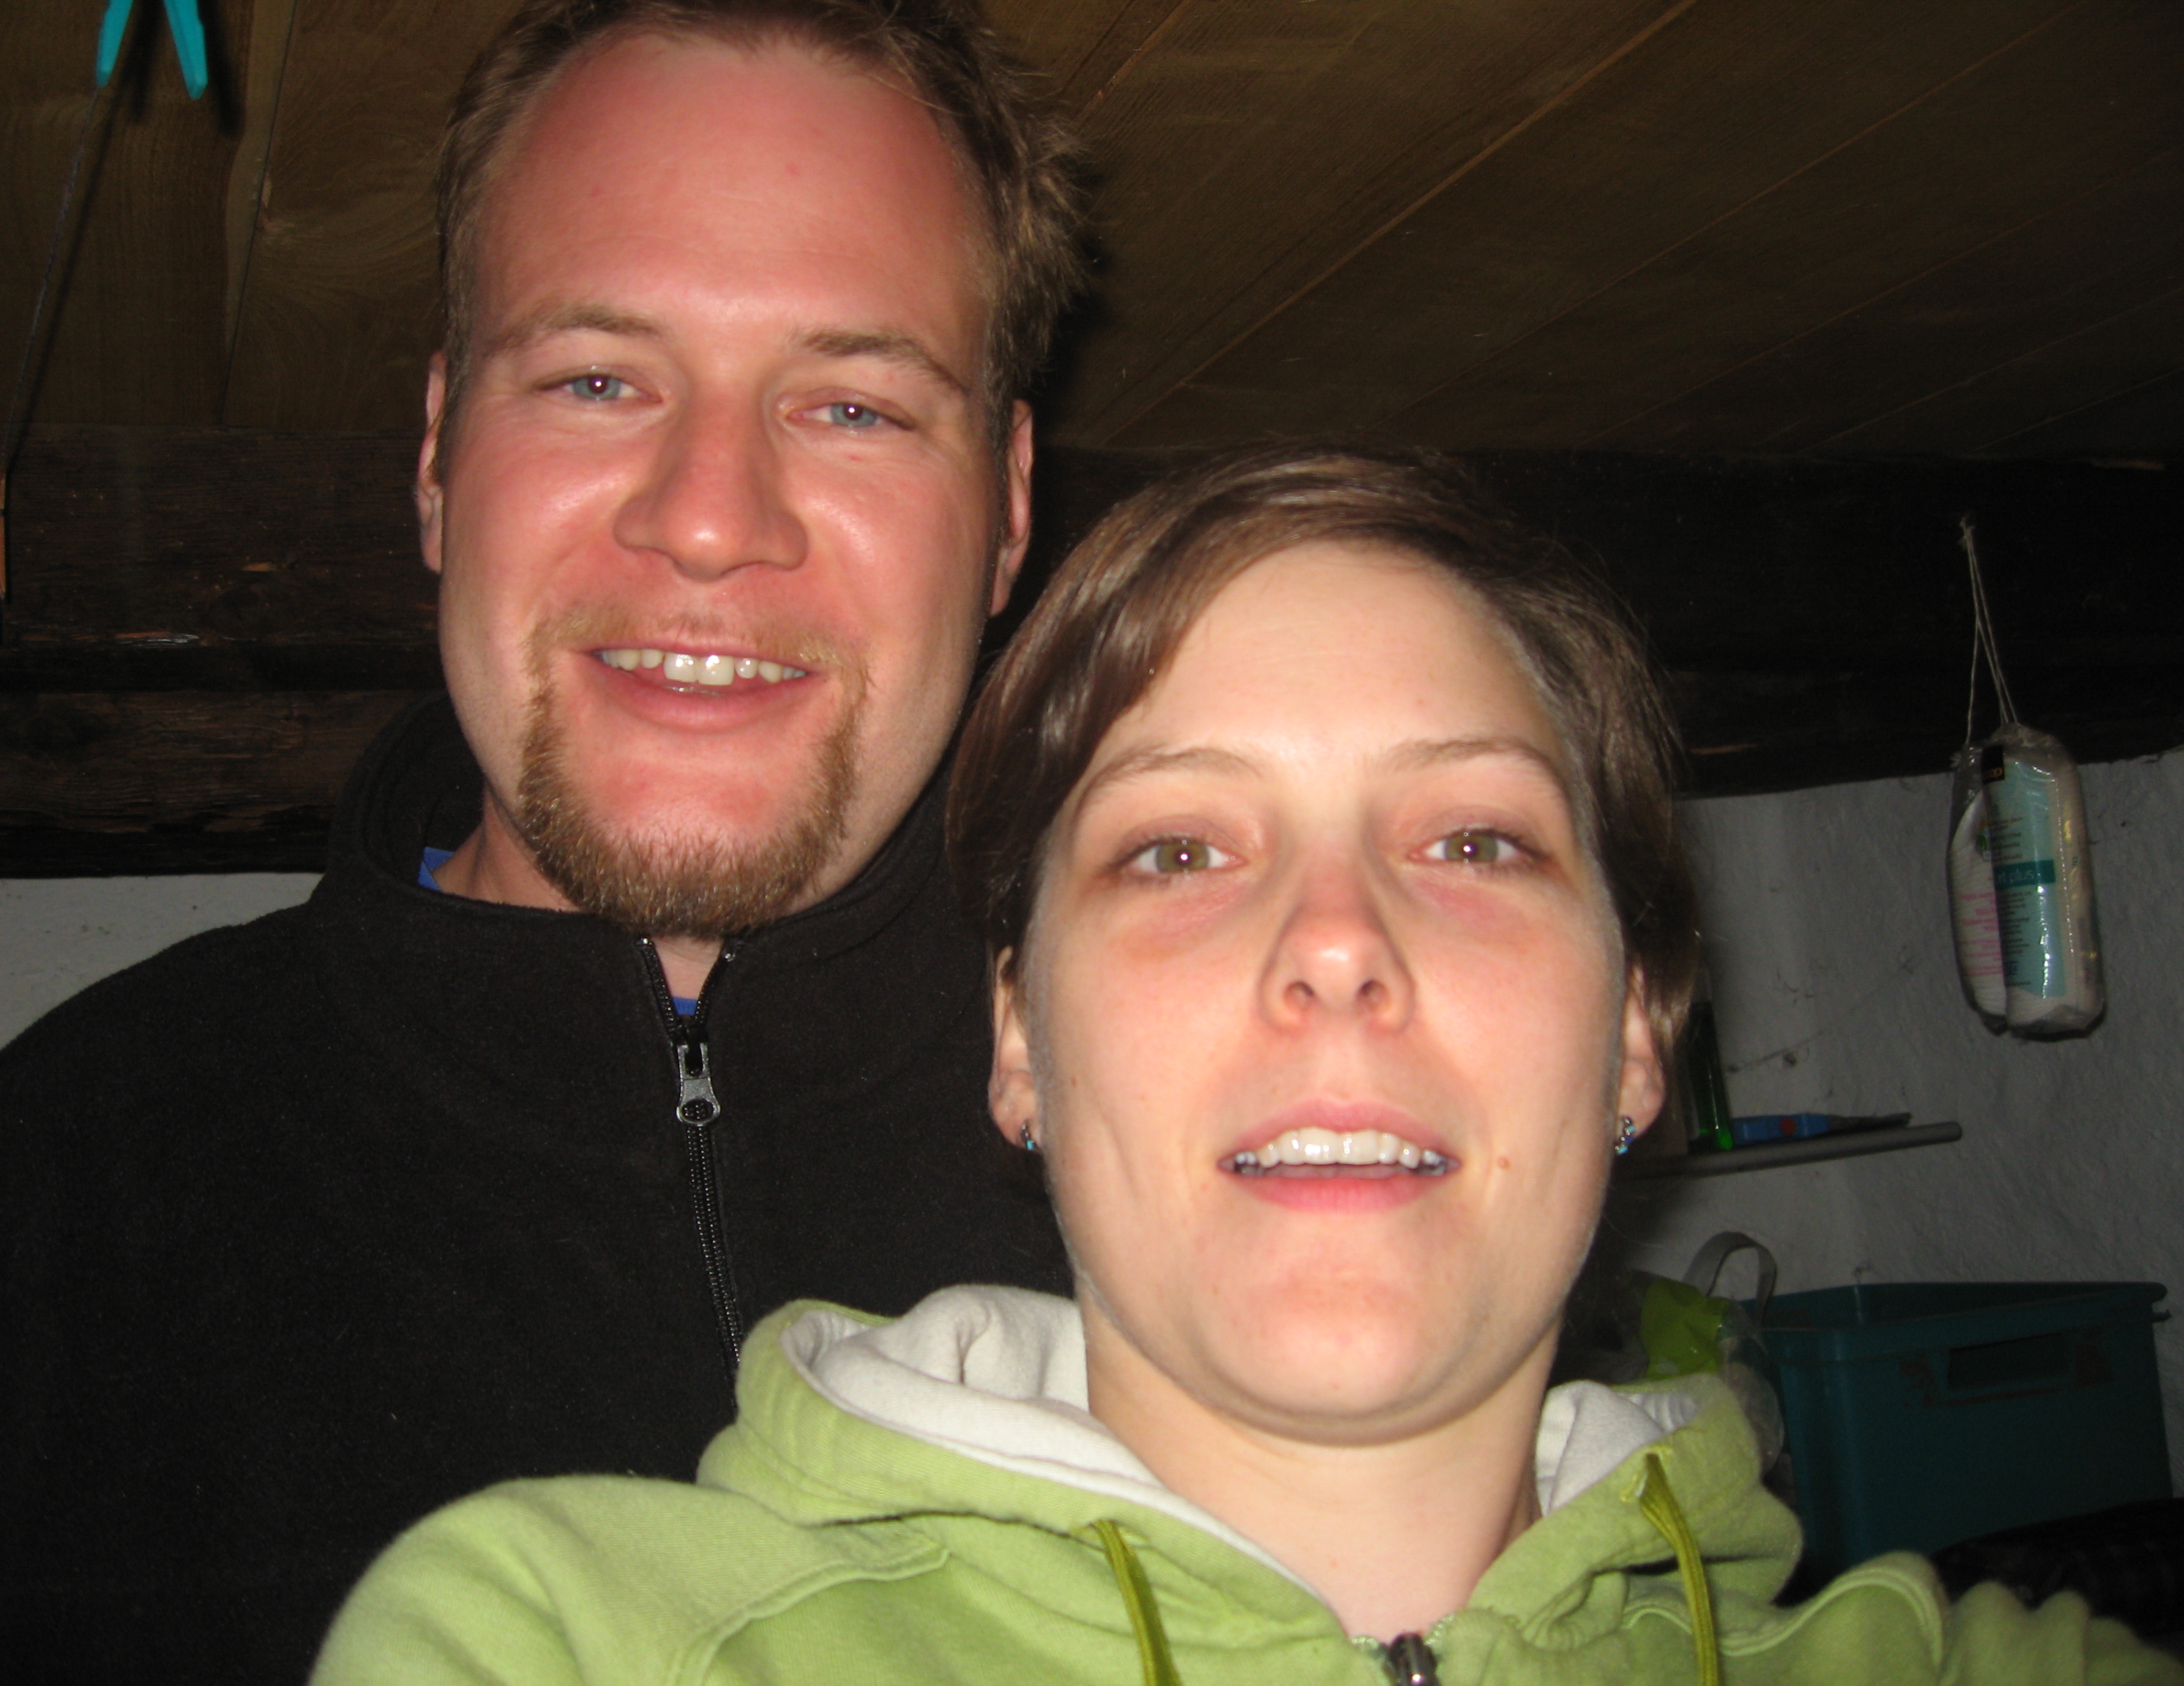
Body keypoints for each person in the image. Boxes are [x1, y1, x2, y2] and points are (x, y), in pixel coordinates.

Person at [311, 444, 2182, 1685]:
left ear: (1638, 1030)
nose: (1338, 942)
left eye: (1474, 841)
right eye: (1181, 850)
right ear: (1019, 1037)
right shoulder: (562, 1644)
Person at [0, 3, 1085, 1681]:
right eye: (597, 380)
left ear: (1011, 508)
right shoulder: (51, 1191)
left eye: (852, 407)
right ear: (435, 460)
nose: (709, 518)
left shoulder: (1210, 1140)